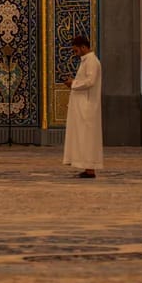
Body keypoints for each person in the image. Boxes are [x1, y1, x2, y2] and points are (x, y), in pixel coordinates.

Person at [62, 34, 103, 178]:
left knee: (87, 138)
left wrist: (73, 84)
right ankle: (88, 168)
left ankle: (90, 169)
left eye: (76, 50)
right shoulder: (86, 61)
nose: (75, 53)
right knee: (84, 138)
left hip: (87, 106)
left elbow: (90, 81)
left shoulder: (91, 61)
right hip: (82, 105)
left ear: (84, 47)